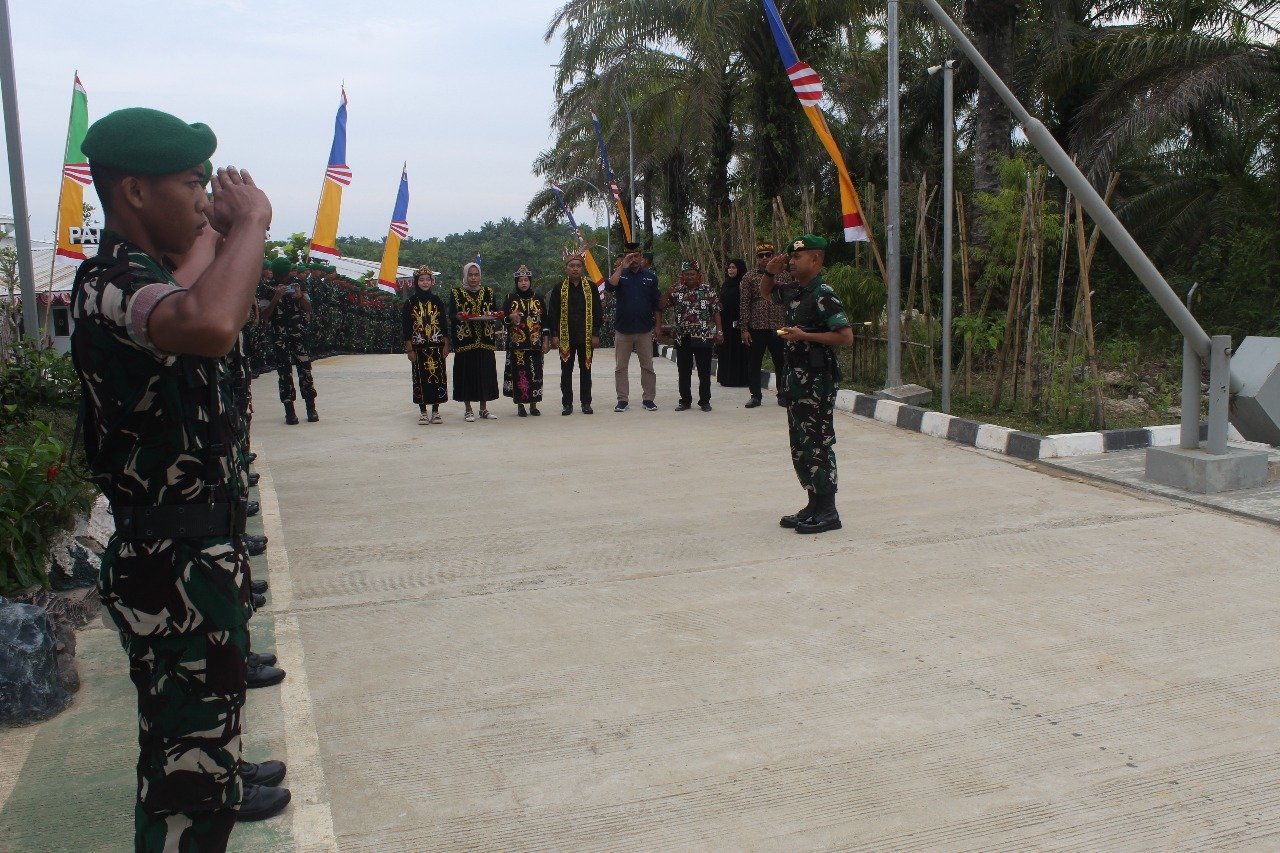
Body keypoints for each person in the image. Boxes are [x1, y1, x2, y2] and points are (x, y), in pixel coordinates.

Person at [70, 107, 290, 851]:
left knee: (199, 769)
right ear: (134, 191)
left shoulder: (152, 277)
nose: (204, 199)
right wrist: (252, 220)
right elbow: (207, 321)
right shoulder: (109, 282)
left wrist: (225, 236)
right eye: (191, 182)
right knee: (185, 790)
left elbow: (201, 288)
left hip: (195, 564)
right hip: (169, 570)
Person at [762, 234, 854, 534]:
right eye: (791, 256)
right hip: (795, 379)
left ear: (815, 259)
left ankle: (829, 510)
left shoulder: (822, 293)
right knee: (801, 444)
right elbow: (766, 294)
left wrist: (805, 336)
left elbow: (844, 336)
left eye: (797, 257)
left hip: (817, 381)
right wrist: (769, 273)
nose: (791, 260)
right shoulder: (793, 291)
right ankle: (813, 503)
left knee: (818, 443)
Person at [260, 257, 319, 424]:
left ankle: (311, 408)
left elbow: (309, 308)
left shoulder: (298, 283)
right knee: (284, 373)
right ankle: (289, 411)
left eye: (286, 277)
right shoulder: (266, 286)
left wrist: (300, 297)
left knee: (305, 371)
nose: (284, 280)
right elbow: (264, 314)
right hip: (279, 336)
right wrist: (276, 297)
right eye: (281, 277)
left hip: (298, 334)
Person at [606, 241, 661, 412]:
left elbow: (656, 304)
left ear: (642, 257)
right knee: (621, 367)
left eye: (637, 256)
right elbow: (609, 287)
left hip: (644, 329)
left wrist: (658, 327)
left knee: (647, 366)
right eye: (630, 256)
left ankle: (648, 399)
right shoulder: (620, 275)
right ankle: (622, 400)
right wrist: (622, 266)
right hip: (623, 329)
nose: (634, 259)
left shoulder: (650, 277)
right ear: (624, 257)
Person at [545, 251, 602, 415]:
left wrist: (595, 333)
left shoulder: (590, 287)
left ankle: (586, 403)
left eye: (578, 266)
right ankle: (567, 403)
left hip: (586, 336)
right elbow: (553, 313)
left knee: (586, 370)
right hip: (565, 337)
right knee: (566, 372)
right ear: (567, 268)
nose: (575, 269)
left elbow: (597, 311)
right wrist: (554, 334)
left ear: (582, 268)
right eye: (572, 266)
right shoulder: (559, 288)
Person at [663, 260, 722, 411]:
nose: (689, 277)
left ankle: (705, 401)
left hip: (703, 336)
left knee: (704, 371)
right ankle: (685, 401)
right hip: (682, 337)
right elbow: (660, 306)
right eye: (686, 274)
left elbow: (716, 311)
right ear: (682, 276)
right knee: (683, 371)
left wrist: (720, 331)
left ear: (698, 275)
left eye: (692, 274)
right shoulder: (677, 291)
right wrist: (669, 291)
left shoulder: (708, 290)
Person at [740, 242, 793, 408]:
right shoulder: (749, 277)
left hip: (779, 325)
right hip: (757, 326)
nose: (764, 258)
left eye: (768, 255)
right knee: (754, 362)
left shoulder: (784, 276)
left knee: (781, 361)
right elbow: (744, 303)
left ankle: (782, 394)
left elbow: (790, 301)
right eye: (761, 255)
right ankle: (755, 396)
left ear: (773, 255)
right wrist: (744, 329)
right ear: (757, 258)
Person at [450, 261, 500, 421]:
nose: (473, 278)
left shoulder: (488, 292)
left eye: (476, 274)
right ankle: (468, 409)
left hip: (485, 339)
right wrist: (459, 316)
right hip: (465, 340)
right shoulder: (456, 293)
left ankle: (483, 409)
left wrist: (493, 315)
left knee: (485, 373)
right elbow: (452, 314)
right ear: (465, 276)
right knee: (467, 374)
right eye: (470, 275)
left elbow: (493, 312)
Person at [402, 266, 451, 424]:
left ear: (432, 281)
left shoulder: (437, 301)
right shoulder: (410, 302)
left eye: (427, 279)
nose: (425, 282)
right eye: (421, 280)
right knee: (419, 379)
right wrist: (409, 349)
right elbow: (406, 327)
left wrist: (446, 344)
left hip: (437, 347)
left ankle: (436, 411)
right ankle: (423, 411)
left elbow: (444, 324)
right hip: (418, 348)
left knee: (437, 378)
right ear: (417, 282)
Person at [502, 264, 545, 416]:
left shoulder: (538, 298)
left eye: (526, 280)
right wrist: (509, 318)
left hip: (535, 344)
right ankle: (520, 405)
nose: (524, 283)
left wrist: (546, 339)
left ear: (530, 281)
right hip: (516, 345)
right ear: (516, 282)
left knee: (535, 374)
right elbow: (502, 320)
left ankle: (534, 405)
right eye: (520, 280)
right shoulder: (510, 298)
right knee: (519, 375)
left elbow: (545, 321)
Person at [716, 258, 751, 387]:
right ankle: (727, 378)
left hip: (740, 323)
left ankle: (741, 379)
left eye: (734, 267)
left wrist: (743, 322)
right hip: (725, 323)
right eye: (729, 267)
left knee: (739, 350)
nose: (731, 270)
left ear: (740, 269)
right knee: (726, 349)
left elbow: (746, 303)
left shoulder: (744, 284)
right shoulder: (726, 284)